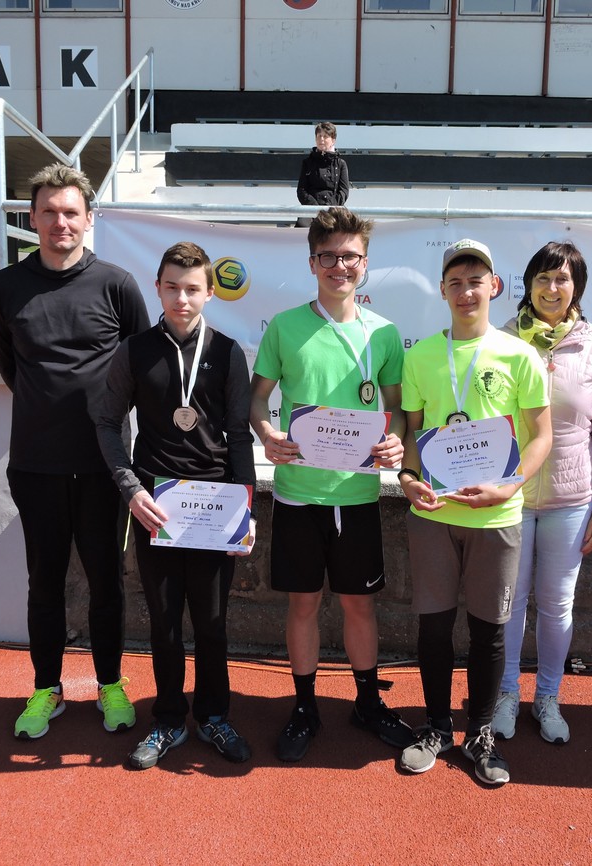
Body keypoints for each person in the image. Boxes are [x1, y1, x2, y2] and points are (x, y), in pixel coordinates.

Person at [0, 163, 149, 741]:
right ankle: (46, 688)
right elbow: (11, 366)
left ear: (88, 219)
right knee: (45, 582)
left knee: (106, 582)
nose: (61, 222)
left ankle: (109, 683)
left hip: (106, 467)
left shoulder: (117, 284)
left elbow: (140, 366)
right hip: (35, 463)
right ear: (33, 218)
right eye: (50, 212)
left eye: (71, 212)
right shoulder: (7, 286)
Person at [250, 205, 413, 762]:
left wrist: (396, 441)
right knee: (302, 604)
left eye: (350, 257)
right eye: (328, 256)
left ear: (365, 263)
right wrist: (268, 433)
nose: (339, 266)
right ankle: (305, 707)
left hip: (358, 494)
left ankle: (367, 702)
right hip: (298, 494)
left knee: (359, 606)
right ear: (312, 262)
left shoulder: (384, 333)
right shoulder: (284, 326)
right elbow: (257, 399)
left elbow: (397, 409)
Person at [93, 241, 257, 771]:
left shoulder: (228, 352)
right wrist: (131, 489)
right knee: (164, 622)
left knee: (211, 622)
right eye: (171, 288)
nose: (181, 299)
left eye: (191, 289)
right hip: (157, 506)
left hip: (215, 509)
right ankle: (167, 720)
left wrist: (246, 508)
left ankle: (213, 715)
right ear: (158, 289)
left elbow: (238, 435)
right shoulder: (135, 350)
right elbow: (106, 422)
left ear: (209, 293)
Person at [396, 239, 552, 786]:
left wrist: (509, 486)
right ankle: (438, 726)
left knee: (490, 632)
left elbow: (542, 436)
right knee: (434, 627)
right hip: (434, 516)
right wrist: (407, 479)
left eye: (476, 281)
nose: (466, 292)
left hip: (496, 519)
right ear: (442, 290)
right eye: (456, 283)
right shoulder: (420, 356)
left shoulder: (519, 355)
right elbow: (413, 432)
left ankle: (480, 732)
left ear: (494, 287)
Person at [490, 241, 592, 746]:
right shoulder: (501, 340)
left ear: (577, 288)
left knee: (556, 606)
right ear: (528, 284)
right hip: (510, 497)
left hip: (571, 503)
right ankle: (506, 693)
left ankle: (548, 696)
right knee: (508, 604)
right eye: (543, 278)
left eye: (562, 279)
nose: (551, 288)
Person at [297, 122, 350, 208]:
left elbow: (344, 191)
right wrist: (315, 208)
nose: (321, 139)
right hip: (311, 209)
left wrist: (329, 208)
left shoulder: (341, 164)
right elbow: (301, 190)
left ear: (333, 140)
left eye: (325, 136)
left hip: (333, 209)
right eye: (319, 136)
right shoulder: (307, 163)